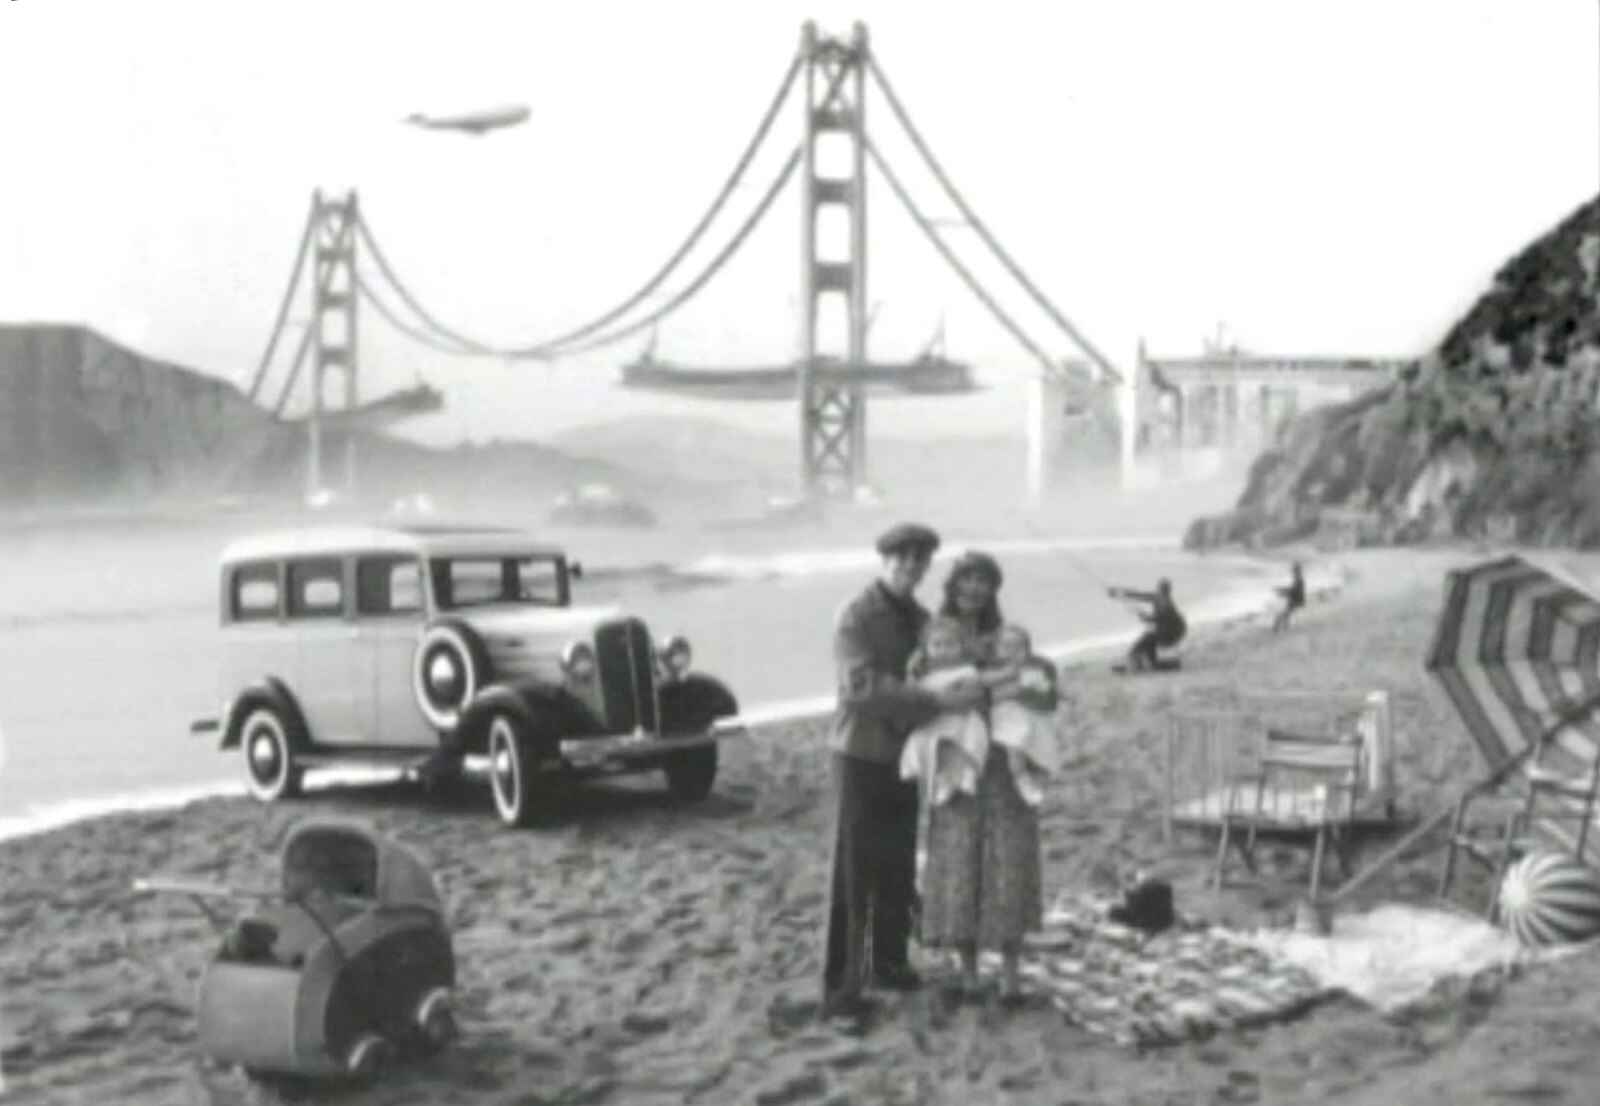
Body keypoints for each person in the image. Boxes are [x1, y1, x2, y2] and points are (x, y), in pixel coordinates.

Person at [820, 523, 984, 1033]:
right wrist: (935, 700)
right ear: (884, 560)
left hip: (908, 753)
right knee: (854, 873)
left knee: (895, 864)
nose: (911, 567)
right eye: (902, 558)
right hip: (862, 753)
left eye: (920, 560)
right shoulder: (854, 615)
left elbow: (946, 661)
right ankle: (842, 993)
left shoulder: (921, 618)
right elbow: (859, 688)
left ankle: (889, 965)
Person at [919, 551, 1047, 1007]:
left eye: (983, 582)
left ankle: (1011, 973)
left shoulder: (1004, 636)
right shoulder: (934, 635)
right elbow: (924, 692)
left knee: (1008, 859)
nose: (973, 590)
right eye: (966, 581)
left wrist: (1015, 689)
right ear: (952, 586)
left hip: (1002, 758)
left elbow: (1038, 684)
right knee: (959, 860)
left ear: (993, 589)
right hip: (957, 758)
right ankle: (969, 971)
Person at [899, 616, 990, 807]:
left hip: (959, 720)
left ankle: (957, 779)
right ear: (925, 649)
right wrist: (910, 670)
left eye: (950, 644)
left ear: (961, 647)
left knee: (957, 743)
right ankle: (940, 778)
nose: (943, 650)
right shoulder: (924, 675)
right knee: (922, 742)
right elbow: (911, 695)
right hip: (934, 720)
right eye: (937, 645)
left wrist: (937, 699)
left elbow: (969, 697)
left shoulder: (967, 671)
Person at [985, 623, 1061, 808]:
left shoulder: (1035, 669)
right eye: (1006, 646)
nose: (1013, 651)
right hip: (1008, 716)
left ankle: (1041, 781)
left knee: (1046, 749)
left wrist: (1061, 693)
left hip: (1034, 714)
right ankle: (1021, 778)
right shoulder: (994, 672)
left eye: (1019, 646)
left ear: (1028, 649)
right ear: (996, 650)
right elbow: (989, 698)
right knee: (1015, 747)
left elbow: (1049, 693)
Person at [1108, 577, 1187, 671]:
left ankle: (1134, 662)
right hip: (1173, 632)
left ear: (1165, 591)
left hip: (1172, 635)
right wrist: (1118, 592)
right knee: (1150, 638)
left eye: (1162, 590)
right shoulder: (1158, 597)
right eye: (1161, 590)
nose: (1161, 592)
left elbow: (1159, 618)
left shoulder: (1166, 603)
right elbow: (1138, 595)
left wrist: (1145, 617)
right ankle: (1157, 664)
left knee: (1147, 638)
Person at [1272, 562, 1306, 633]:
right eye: (1293, 571)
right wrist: (1282, 591)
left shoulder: (1299, 580)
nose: (1293, 573)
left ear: (1297, 571)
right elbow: (1292, 590)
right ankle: (1285, 628)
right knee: (1284, 614)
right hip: (1295, 600)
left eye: (1294, 571)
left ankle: (1278, 630)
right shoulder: (1298, 580)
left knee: (1281, 615)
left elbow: (1293, 591)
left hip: (1296, 601)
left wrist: (1282, 591)